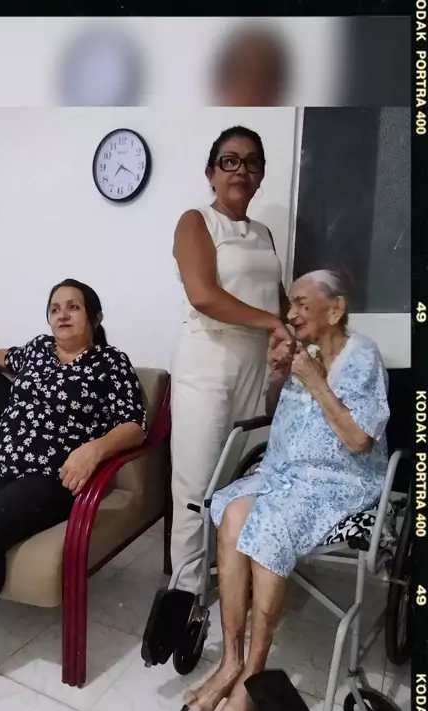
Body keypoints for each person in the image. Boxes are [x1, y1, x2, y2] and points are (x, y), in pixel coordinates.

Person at [166, 270, 390, 711]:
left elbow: (359, 440)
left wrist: (315, 381)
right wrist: (278, 374)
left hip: (338, 483)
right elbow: (275, 410)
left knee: (269, 526)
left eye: (303, 303)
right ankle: (230, 662)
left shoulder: (362, 357)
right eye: (292, 303)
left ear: (336, 309)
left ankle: (251, 681)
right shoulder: (304, 354)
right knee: (232, 513)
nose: (291, 313)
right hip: (281, 473)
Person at [0, 279, 147, 642]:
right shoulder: (38, 349)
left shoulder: (110, 363)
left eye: (73, 307)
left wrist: (94, 449)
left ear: (95, 317)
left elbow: (134, 425)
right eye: (55, 309)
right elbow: (6, 356)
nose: (62, 314)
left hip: (50, 476)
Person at [171, 125, 292, 596]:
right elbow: (203, 295)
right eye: (229, 160)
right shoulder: (196, 221)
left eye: (252, 162)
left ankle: (228, 581)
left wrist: (300, 332)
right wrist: (271, 322)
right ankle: (186, 595)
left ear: (260, 175)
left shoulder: (263, 233)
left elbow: (277, 300)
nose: (241, 170)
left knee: (242, 481)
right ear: (211, 173)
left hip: (255, 367)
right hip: (207, 363)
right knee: (197, 488)